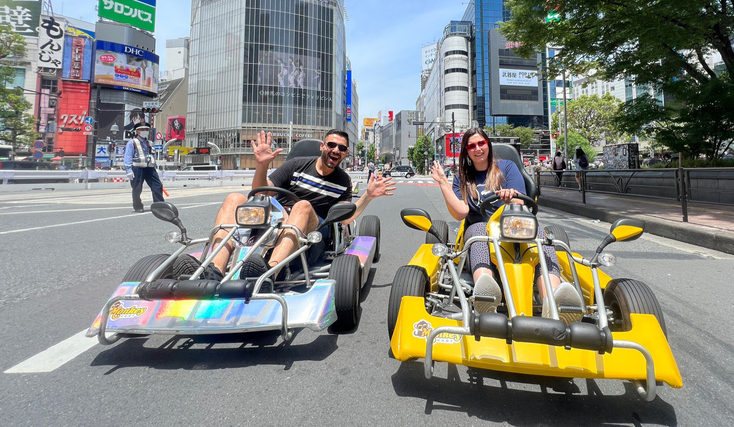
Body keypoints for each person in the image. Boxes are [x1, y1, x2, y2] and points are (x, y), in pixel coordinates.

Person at [174, 130, 395, 282]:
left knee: (302, 206)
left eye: (342, 148)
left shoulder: (343, 181)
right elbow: (262, 192)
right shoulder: (296, 166)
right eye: (331, 145)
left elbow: (346, 219)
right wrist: (262, 166)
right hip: (274, 223)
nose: (336, 150)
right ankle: (215, 270)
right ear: (322, 146)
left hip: (311, 236)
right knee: (234, 198)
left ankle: (270, 273)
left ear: (345, 153)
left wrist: (368, 195)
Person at [430, 127, 581, 322]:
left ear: (488, 145)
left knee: (541, 236)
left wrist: (511, 196)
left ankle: (551, 301)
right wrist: (443, 182)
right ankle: (486, 293)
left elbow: (521, 199)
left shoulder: (507, 167)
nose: (477, 149)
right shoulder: (463, 177)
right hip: (482, 229)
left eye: (481, 143)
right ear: (466, 151)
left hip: (514, 226)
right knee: (477, 232)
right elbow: (461, 212)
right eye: (472, 146)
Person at [124, 121, 164, 213]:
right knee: (137, 188)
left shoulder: (149, 143)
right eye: (142, 130)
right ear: (137, 131)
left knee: (157, 185)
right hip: (137, 168)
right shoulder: (132, 142)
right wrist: (128, 170)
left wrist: (154, 165)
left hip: (149, 167)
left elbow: (151, 155)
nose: (145, 131)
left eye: (146, 129)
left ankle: (159, 204)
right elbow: (128, 156)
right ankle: (138, 206)